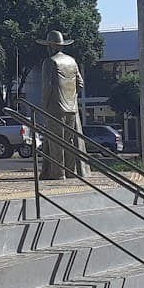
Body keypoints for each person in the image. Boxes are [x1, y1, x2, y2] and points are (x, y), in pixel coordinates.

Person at [39, 30, 86, 180]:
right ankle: (70, 171)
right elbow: (80, 84)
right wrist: (71, 97)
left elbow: (47, 87)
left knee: (56, 143)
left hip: (55, 108)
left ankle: (58, 173)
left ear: (50, 46)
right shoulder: (72, 61)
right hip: (71, 109)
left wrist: (44, 106)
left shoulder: (49, 62)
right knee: (68, 141)